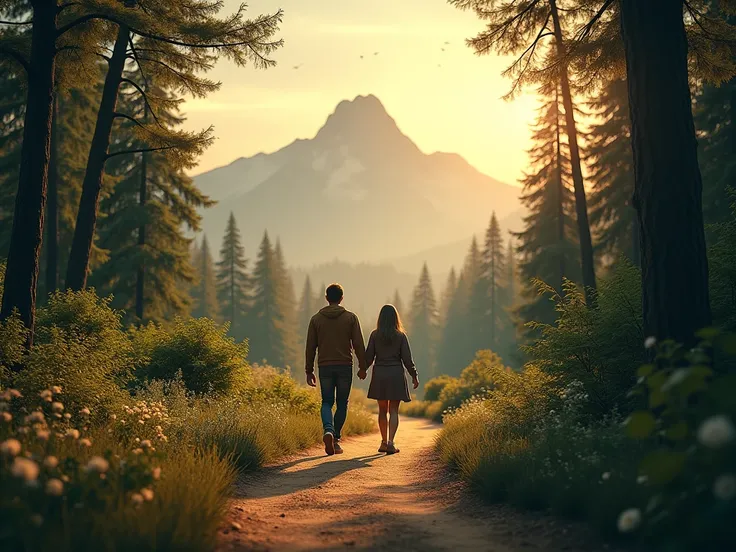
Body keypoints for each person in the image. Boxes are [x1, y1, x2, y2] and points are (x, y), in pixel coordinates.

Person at [305, 283, 367, 456]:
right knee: (342, 403)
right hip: (345, 366)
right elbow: (358, 344)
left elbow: (310, 347)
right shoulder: (350, 318)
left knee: (326, 402)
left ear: (326, 298)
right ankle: (336, 439)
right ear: (341, 298)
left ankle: (328, 431)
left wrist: (308, 370)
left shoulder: (316, 319)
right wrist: (363, 367)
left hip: (324, 366)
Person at [358, 304, 419, 454]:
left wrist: (363, 369)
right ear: (395, 318)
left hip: (380, 375)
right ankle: (391, 442)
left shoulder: (374, 335)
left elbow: (369, 357)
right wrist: (414, 376)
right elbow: (407, 359)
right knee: (394, 411)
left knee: (382, 410)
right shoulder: (401, 336)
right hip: (396, 375)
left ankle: (383, 442)